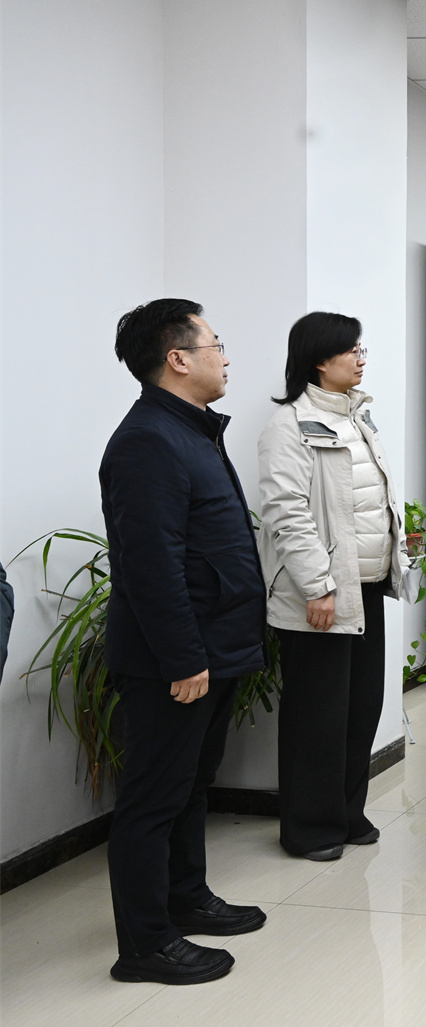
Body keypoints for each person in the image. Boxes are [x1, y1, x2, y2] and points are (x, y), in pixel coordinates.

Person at [100, 299, 267, 985]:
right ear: (178, 359)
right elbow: (150, 564)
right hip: (175, 658)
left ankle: (185, 897)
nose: (224, 357)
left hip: (212, 645)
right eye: (215, 343)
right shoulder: (148, 440)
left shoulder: (191, 430)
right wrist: (183, 657)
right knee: (153, 798)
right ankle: (145, 944)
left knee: (192, 784)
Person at [258, 312, 408, 862]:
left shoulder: (357, 416)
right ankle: (308, 828)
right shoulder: (288, 425)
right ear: (321, 360)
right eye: (353, 350)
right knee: (316, 717)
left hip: (364, 587)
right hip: (320, 596)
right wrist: (318, 586)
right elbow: (286, 512)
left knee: (361, 708)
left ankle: (346, 813)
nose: (361, 358)